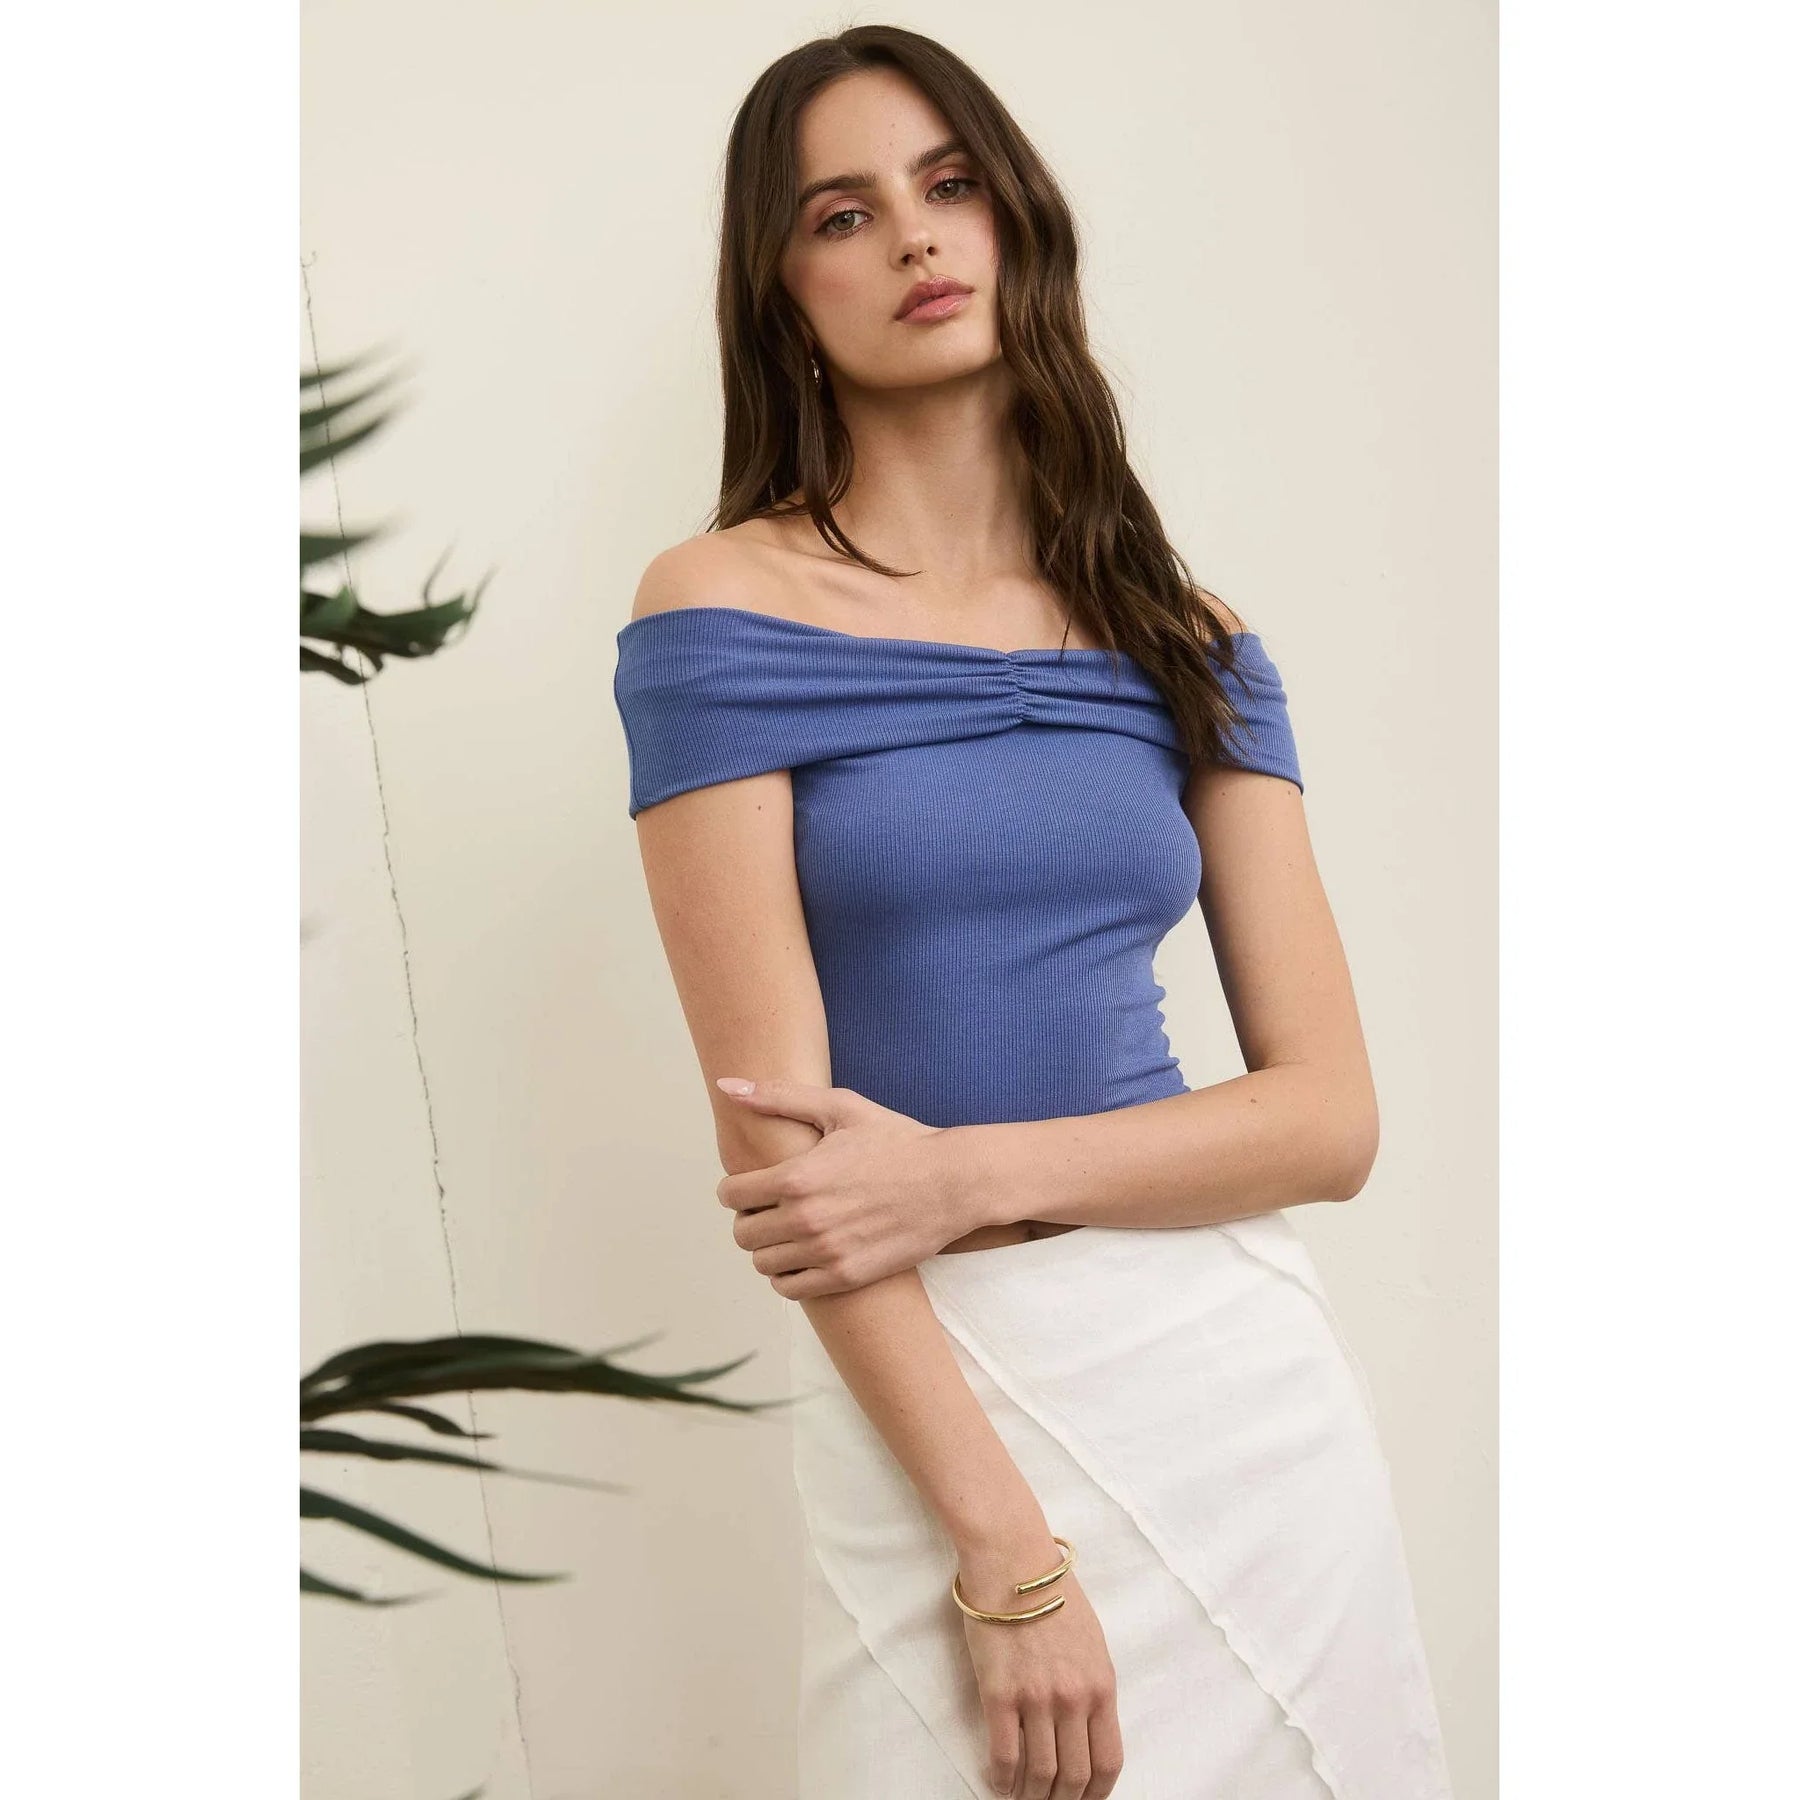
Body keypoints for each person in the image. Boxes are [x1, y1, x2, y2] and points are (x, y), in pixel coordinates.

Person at [612, 24, 1455, 1800]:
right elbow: (784, 1160)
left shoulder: (1191, 641)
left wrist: (958, 1173)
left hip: (1229, 1378)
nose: (915, 237)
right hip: (934, 1398)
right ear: (782, 290)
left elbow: (1330, 1120)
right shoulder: (717, 613)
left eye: (950, 185)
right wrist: (1005, 1553)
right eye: (843, 213)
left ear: (1018, 223)